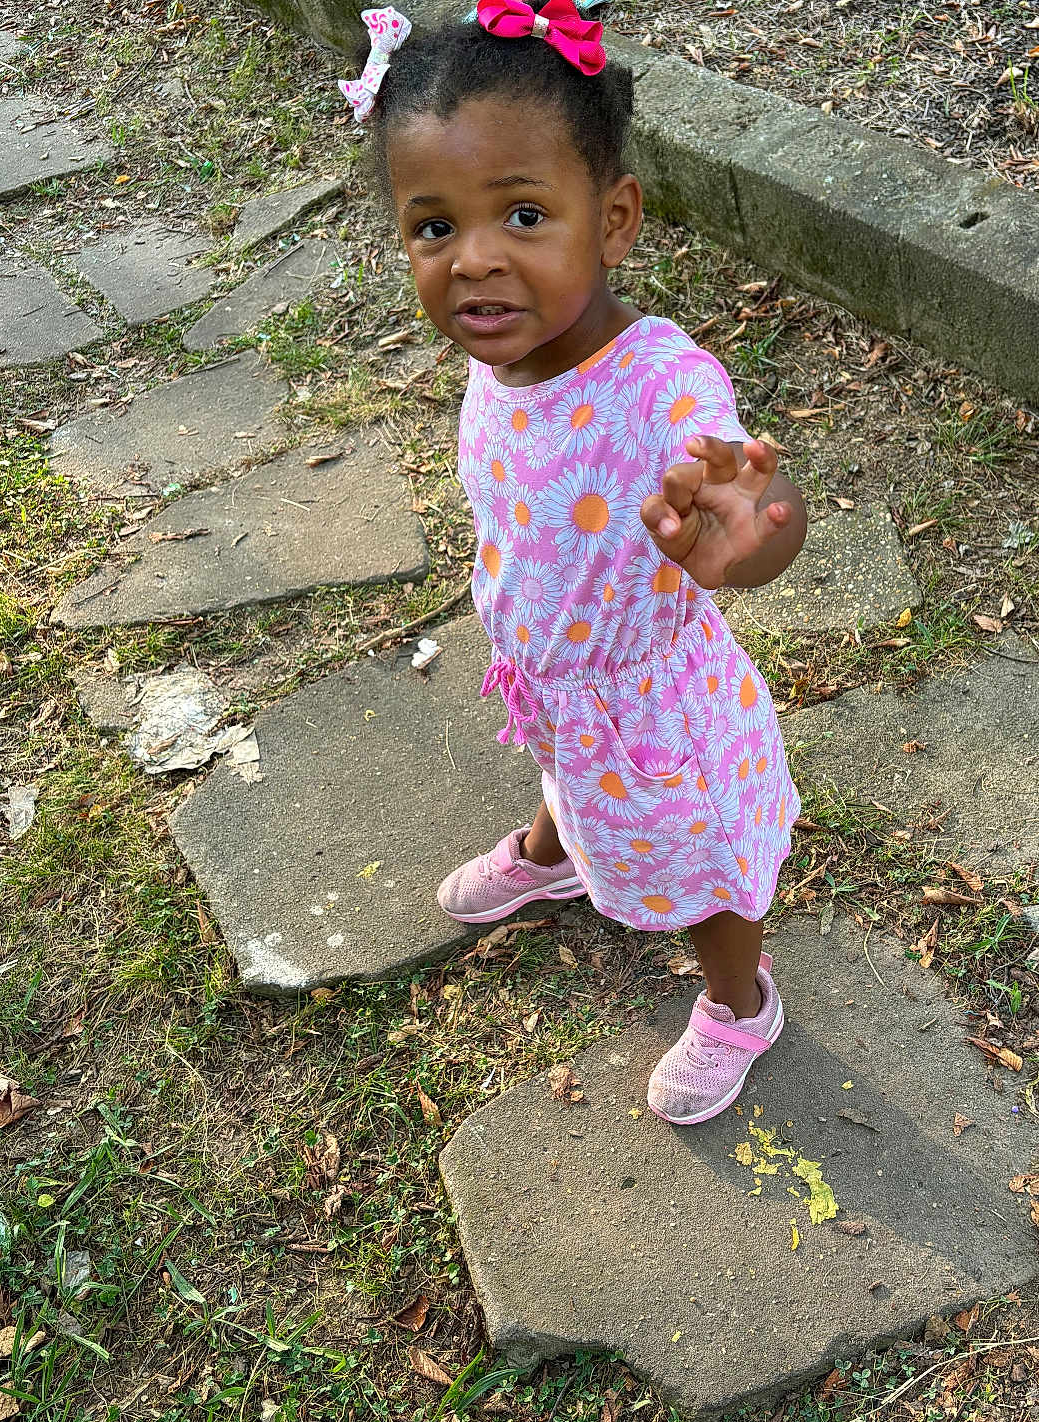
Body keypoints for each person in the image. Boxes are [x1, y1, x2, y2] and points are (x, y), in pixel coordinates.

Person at [342, 0, 807, 1125]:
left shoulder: (657, 383)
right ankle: (556, 852)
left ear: (615, 220)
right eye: (434, 228)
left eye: (523, 214)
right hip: (550, 672)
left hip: (655, 710)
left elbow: (749, 485)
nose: (475, 261)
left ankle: (741, 999)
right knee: (561, 760)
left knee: (700, 866)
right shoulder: (502, 353)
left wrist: (753, 522)